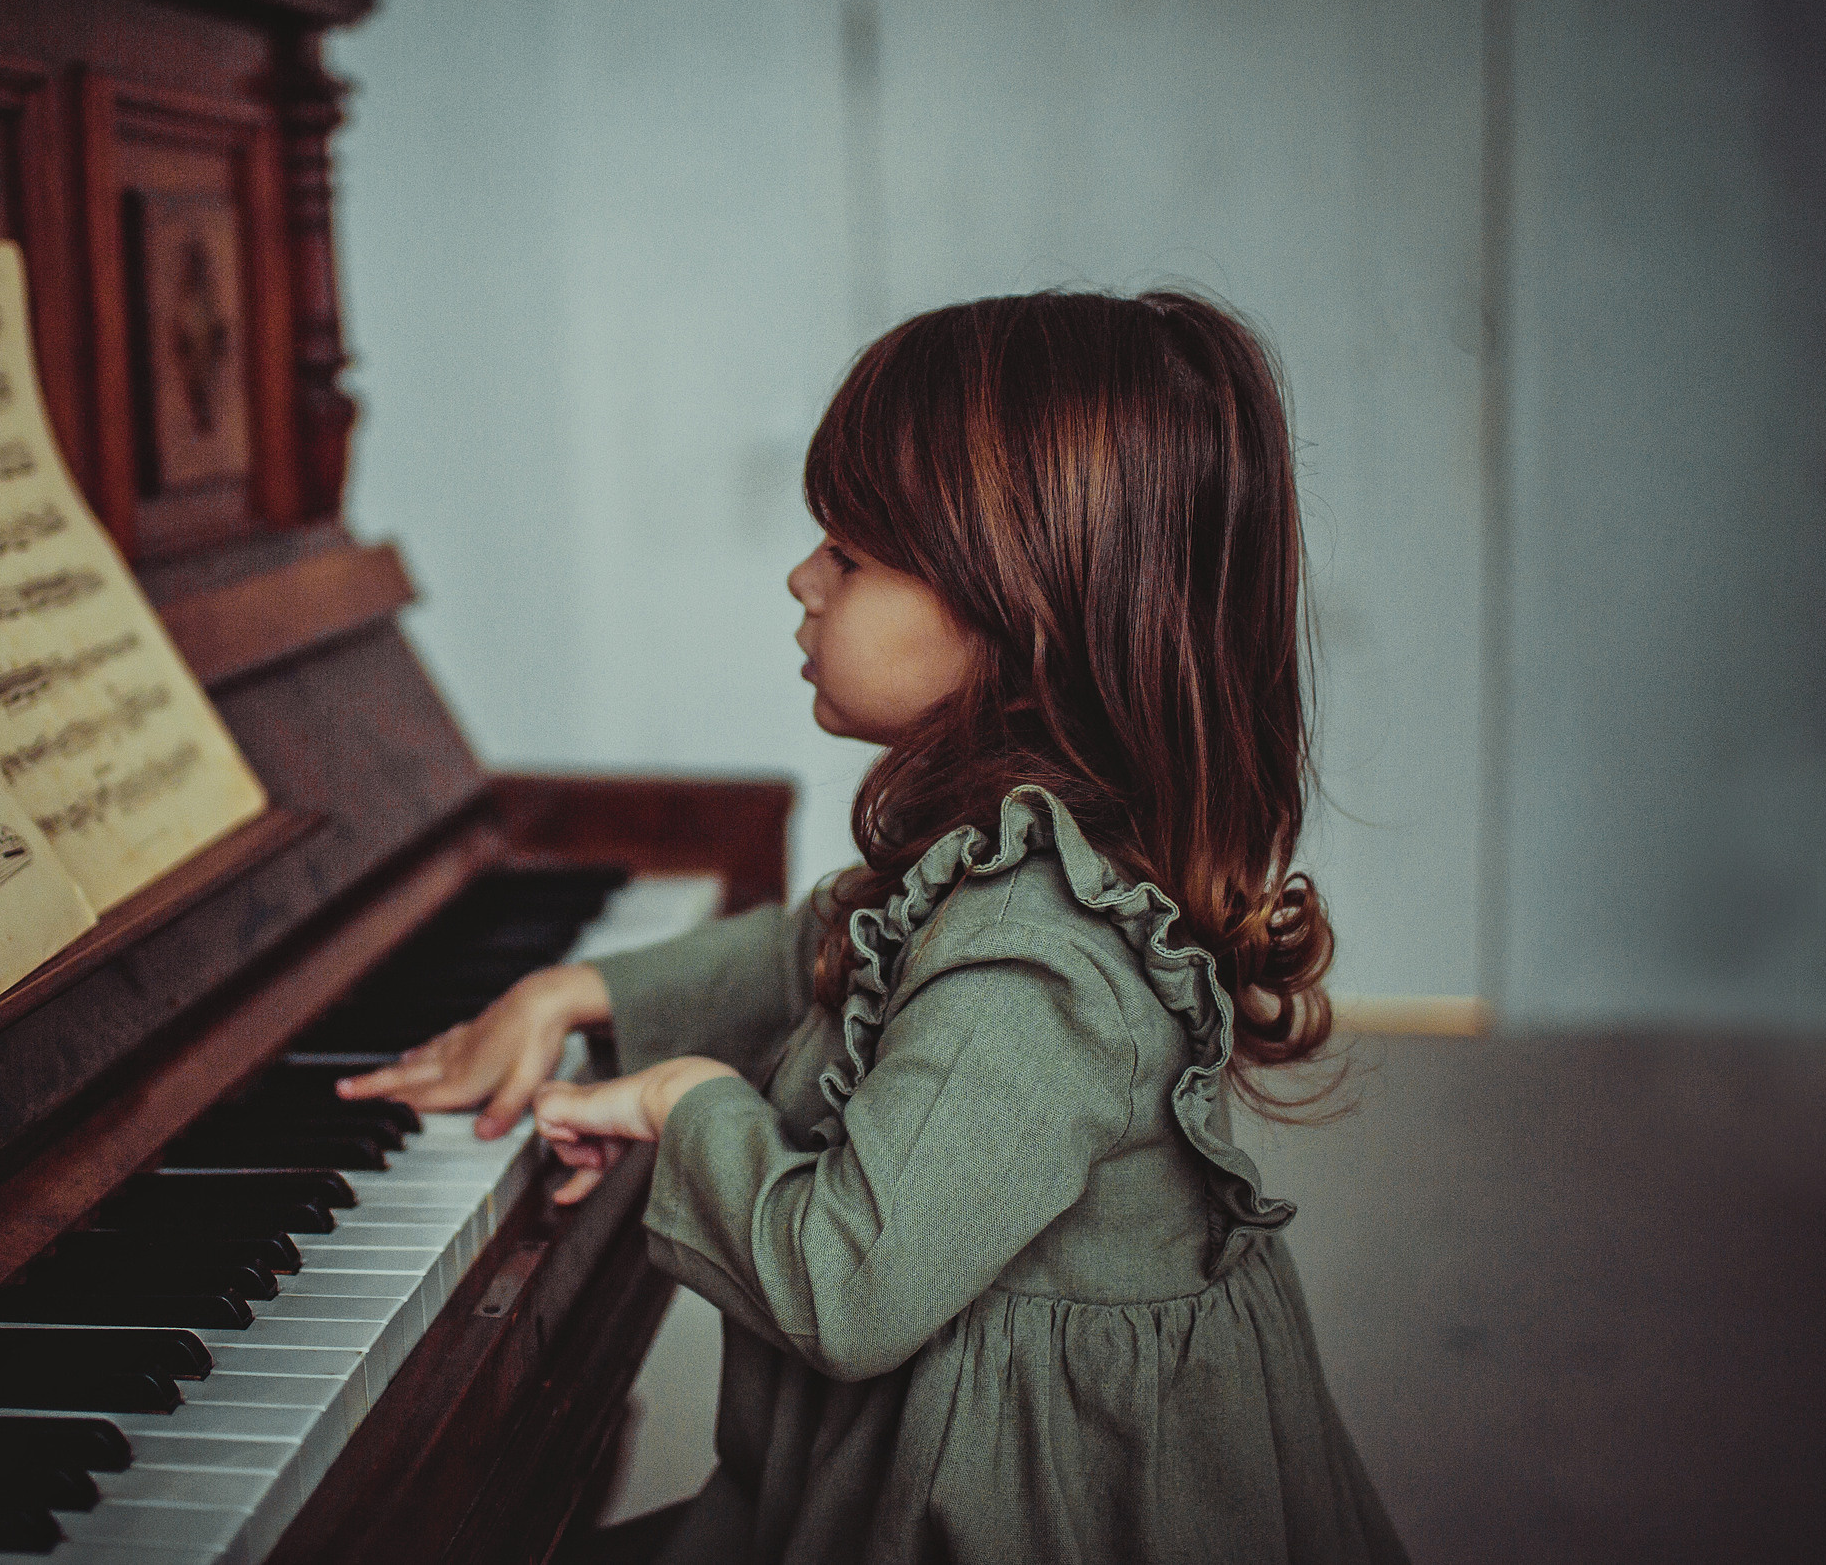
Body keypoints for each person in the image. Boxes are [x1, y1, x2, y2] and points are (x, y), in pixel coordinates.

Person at [339, 291, 1408, 1565]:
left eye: (847, 553)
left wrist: (680, 1102)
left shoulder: (1033, 958)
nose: (800, 577)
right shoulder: (1020, 845)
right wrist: (574, 995)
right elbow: (817, 945)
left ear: (1017, 611)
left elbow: (845, 1285)